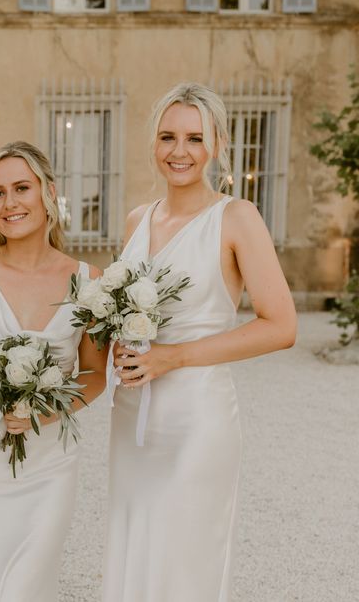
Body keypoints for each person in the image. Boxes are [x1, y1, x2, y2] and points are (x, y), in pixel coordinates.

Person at [102, 83, 297, 601]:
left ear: (215, 144)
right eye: (168, 137)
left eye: (194, 137)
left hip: (197, 417)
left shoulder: (236, 218)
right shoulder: (136, 221)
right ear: (153, 144)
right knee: (136, 544)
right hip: (133, 414)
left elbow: (281, 326)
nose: (179, 151)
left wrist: (175, 356)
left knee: (186, 557)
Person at [0, 141, 108, 602]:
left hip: (50, 464)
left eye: (21, 188)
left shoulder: (89, 281)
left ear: (48, 192)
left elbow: (95, 374)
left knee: (27, 585)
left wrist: (50, 407)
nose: (10, 203)